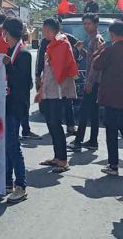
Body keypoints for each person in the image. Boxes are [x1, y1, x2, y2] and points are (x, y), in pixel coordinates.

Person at [93, 20, 123, 176]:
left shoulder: (110, 50)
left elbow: (96, 65)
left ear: (112, 34)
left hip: (110, 96)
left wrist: (101, 49)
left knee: (111, 131)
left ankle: (113, 165)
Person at [37, 18, 78, 173]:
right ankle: (57, 156)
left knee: (55, 123)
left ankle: (63, 160)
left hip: (58, 90)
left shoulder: (62, 43)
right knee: (50, 123)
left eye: (45, 30)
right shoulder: (52, 43)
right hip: (49, 89)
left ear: (51, 29)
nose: (44, 33)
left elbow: (59, 70)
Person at [2, 17, 32, 202]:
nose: (2, 35)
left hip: (16, 105)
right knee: (7, 145)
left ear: (7, 32)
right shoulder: (11, 51)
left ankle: (21, 185)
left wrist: (8, 66)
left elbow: (23, 83)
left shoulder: (23, 54)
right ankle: (7, 182)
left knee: (13, 145)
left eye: (3, 31)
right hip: (7, 102)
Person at [36, 26, 80, 137]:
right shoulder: (46, 42)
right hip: (51, 83)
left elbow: (76, 50)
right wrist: (38, 75)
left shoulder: (65, 40)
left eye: (46, 30)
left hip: (61, 81)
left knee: (65, 105)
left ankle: (69, 127)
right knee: (51, 114)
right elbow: (41, 59)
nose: (45, 33)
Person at [69, 13, 105, 150]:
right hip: (92, 80)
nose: (86, 26)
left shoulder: (97, 39)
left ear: (95, 24)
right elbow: (90, 58)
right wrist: (81, 50)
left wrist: (89, 83)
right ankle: (92, 141)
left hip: (94, 81)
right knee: (94, 112)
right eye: (84, 23)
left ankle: (78, 141)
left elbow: (97, 64)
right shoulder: (90, 39)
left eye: (89, 23)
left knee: (84, 112)